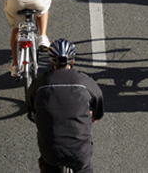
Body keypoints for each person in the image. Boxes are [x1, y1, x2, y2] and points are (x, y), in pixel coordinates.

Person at [26, 39, 105, 173]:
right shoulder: (84, 82)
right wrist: (94, 116)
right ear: (72, 61)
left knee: (47, 165)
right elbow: (99, 108)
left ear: (51, 62)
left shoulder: (39, 83)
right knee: (84, 167)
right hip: (78, 152)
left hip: (51, 151)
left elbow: (30, 111)